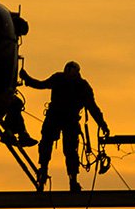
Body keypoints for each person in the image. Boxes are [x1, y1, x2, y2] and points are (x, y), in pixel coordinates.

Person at [20, 61, 109, 192]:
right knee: (55, 146)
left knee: (64, 148)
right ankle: (50, 174)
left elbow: (41, 84)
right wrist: (26, 78)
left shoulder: (72, 83)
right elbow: (93, 108)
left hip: (63, 119)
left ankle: (63, 178)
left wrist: (103, 124)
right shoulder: (76, 83)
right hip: (62, 119)